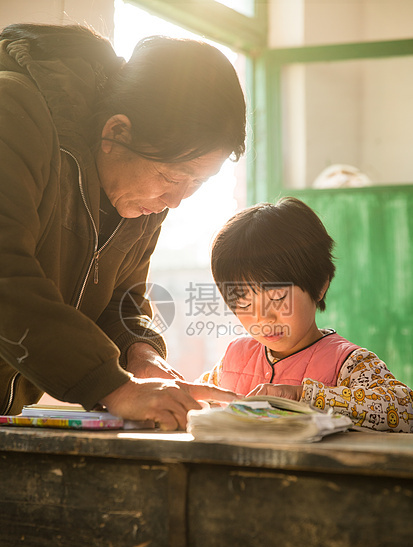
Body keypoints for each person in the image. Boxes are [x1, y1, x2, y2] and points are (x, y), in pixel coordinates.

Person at [0, 23, 246, 429]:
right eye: (172, 177)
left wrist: (140, 354)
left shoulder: (139, 197)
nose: (176, 200)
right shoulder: (14, 113)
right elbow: (6, 274)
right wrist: (113, 387)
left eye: (197, 183)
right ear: (116, 131)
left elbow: (121, 300)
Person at [200, 197, 413, 432]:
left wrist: (304, 395)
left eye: (278, 298)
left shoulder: (349, 363)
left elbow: (406, 411)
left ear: (320, 286)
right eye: (244, 302)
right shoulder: (234, 358)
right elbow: (195, 402)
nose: (263, 318)